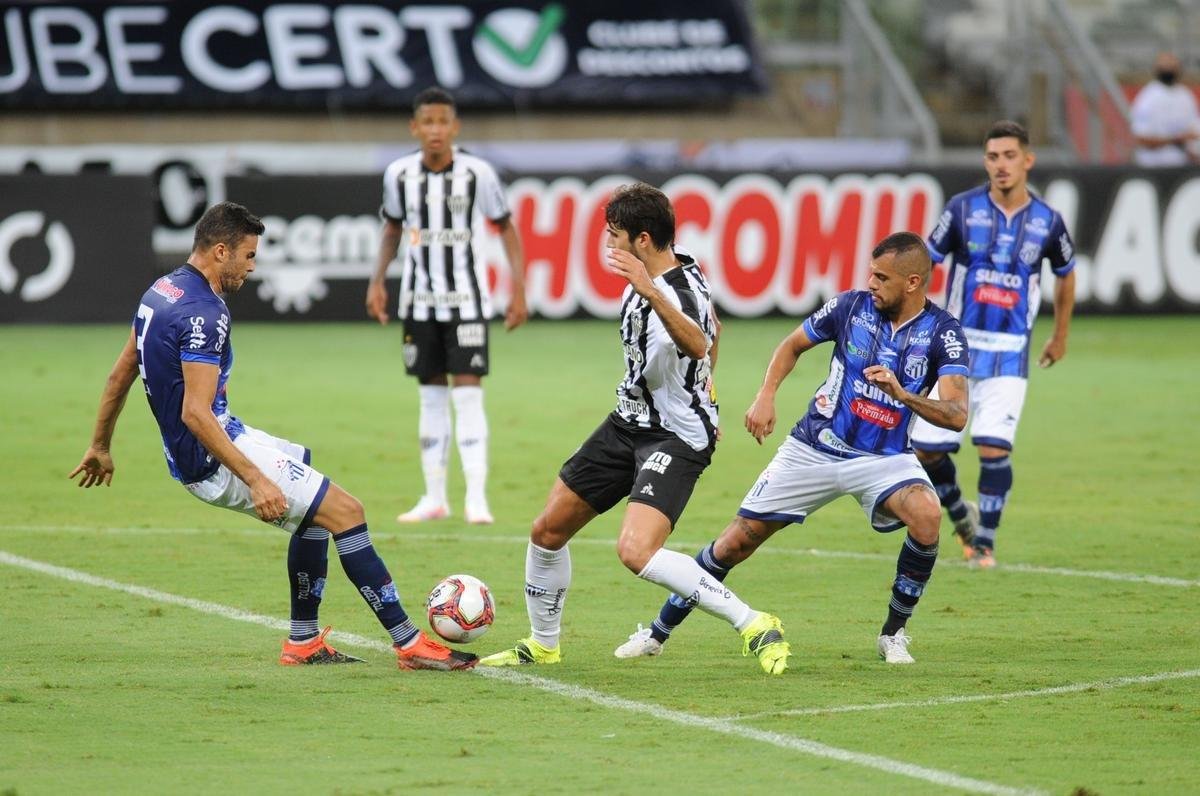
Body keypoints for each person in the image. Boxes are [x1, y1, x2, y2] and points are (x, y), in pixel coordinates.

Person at [70, 201, 476, 671]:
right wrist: (257, 480)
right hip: (210, 455)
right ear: (220, 251)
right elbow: (196, 414)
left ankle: (303, 641)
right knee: (346, 512)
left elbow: (121, 372)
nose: (252, 266)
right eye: (248, 256)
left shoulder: (162, 291)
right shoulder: (205, 312)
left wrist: (100, 444)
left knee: (307, 475)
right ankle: (409, 644)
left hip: (204, 445)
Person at [478, 183, 791, 675]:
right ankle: (543, 644)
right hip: (628, 422)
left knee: (636, 551)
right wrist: (706, 389)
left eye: (614, 235)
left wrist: (650, 292)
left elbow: (697, 339)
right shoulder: (669, 264)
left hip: (676, 436)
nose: (608, 245)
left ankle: (754, 623)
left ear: (642, 240)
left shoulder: (673, 286)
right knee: (547, 531)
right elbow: (716, 336)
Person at [614, 231, 968, 665]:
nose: (870, 283)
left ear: (913, 283)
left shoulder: (944, 333)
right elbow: (792, 345)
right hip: (813, 448)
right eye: (870, 274)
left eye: (881, 277)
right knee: (734, 544)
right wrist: (766, 394)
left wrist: (903, 394)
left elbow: (956, 413)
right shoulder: (849, 306)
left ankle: (893, 634)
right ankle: (657, 633)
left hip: (884, 458)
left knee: (928, 515)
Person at [911, 120, 1077, 568]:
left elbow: (1066, 275)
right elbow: (925, 262)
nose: (1000, 165)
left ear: (1027, 160)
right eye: (992, 157)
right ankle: (962, 515)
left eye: (1008, 156)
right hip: (955, 350)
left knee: (993, 446)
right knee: (927, 450)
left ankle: (983, 542)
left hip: (1009, 350)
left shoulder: (1047, 221)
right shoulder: (963, 209)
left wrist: (1059, 335)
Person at [367, 86, 528, 526]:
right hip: (418, 303)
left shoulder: (478, 173)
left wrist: (518, 289)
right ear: (415, 127)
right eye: (428, 122)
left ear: (454, 127)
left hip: (468, 302)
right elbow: (392, 231)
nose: (436, 130)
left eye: (443, 122)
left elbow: (506, 228)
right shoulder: (399, 175)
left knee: (469, 395)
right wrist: (377, 281)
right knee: (431, 396)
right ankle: (434, 496)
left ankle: (477, 497)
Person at [1130, 52, 1200, 166]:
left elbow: (1193, 133)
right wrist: (1175, 140)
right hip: (1153, 167)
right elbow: (1141, 139)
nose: (1169, 70)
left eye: (1172, 66)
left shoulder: (1185, 96)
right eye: (1165, 66)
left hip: (1181, 167)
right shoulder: (1148, 97)